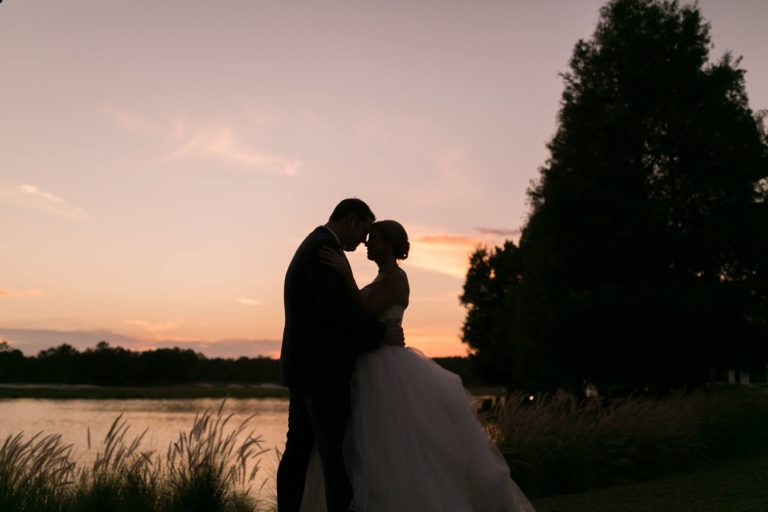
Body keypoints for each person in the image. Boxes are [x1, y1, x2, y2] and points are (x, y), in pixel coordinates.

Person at [300, 220, 536, 512]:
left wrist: (345, 275)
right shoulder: (381, 277)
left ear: (388, 244)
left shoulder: (397, 278)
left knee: (396, 446)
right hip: (367, 366)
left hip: (387, 371)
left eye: (373, 239)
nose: (366, 244)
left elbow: (368, 315)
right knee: (370, 450)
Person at [278, 199, 404, 512]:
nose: (363, 241)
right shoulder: (324, 250)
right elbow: (338, 314)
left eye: (371, 237)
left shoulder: (317, 244)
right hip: (321, 371)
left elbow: (343, 310)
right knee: (333, 455)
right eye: (363, 232)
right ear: (350, 220)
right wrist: (380, 334)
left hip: (310, 368)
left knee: (306, 452)